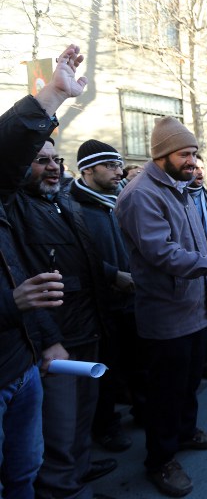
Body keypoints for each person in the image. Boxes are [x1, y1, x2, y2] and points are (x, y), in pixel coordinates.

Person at [116, 116, 207, 497]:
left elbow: (197, 244)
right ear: (162, 155)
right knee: (165, 393)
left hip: (194, 309)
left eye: (194, 154)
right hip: (166, 314)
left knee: (189, 382)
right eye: (184, 154)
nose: (192, 161)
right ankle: (160, 460)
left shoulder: (179, 188)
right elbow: (164, 254)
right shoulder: (141, 195)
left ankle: (186, 433)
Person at [0, 43, 79, 499]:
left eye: (56, 160)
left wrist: (51, 95)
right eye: (41, 159)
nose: (51, 167)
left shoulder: (57, 202)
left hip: (21, 360)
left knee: (23, 474)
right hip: (25, 349)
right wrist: (11, 304)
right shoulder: (21, 203)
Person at [70, 139, 136, 452]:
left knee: (134, 362)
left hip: (129, 299)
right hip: (98, 305)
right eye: (110, 165)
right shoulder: (72, 207)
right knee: (104, 370)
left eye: (118, 164)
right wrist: (113, 275)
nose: (118, 171)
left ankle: (141, 408)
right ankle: (106, 427)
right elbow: (78, 256)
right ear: (87, 169)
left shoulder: (117, 200)